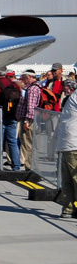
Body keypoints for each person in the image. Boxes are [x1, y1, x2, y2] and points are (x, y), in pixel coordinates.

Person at [55, 78, 77, 218]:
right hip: (73, 143)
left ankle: (68, 208)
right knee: (75, 177)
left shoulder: (72, 98)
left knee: (68, 179)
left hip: (66, 142)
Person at [16, 70, 43, 170]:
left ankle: (30, 168)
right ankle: (32, 167)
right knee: (30, 144)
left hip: (29, 120)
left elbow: (31, 107)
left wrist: (27, 121)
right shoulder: (35, 87)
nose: (22, 80)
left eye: (24, 77)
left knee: (28, 144)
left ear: (30, 77)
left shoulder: (32, 89)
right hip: (30, 119)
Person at [0, 73, 22, 171]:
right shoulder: (16, 86)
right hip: (13, 116)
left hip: (1, 116)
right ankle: (16, 166)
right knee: (13, 142)